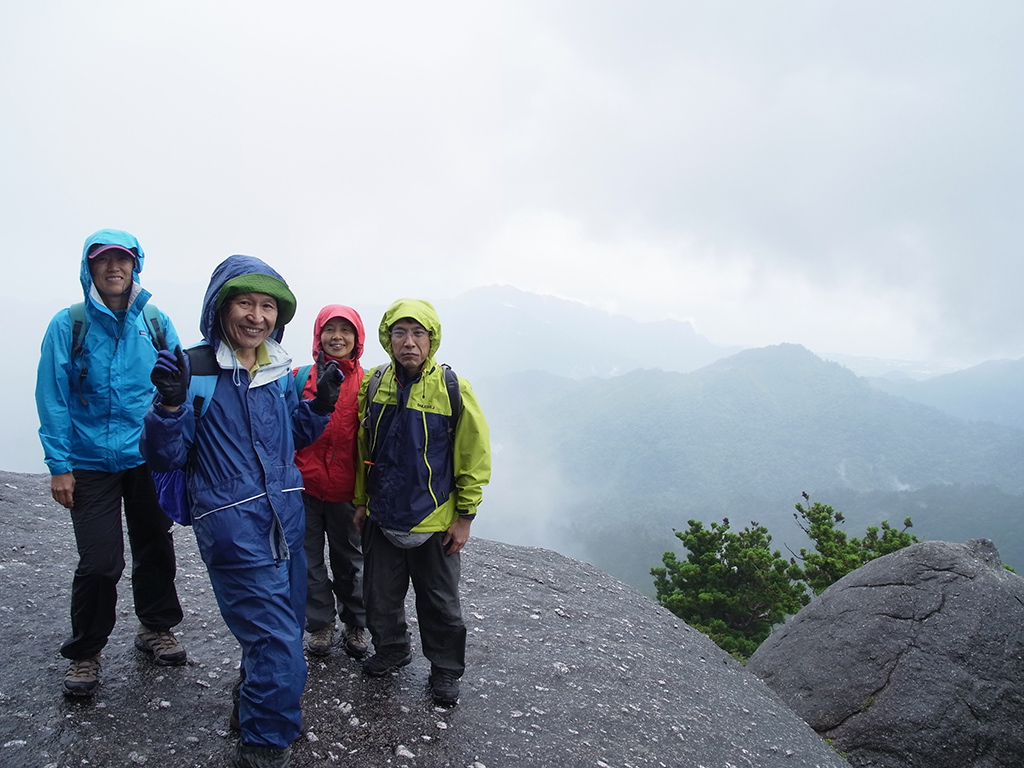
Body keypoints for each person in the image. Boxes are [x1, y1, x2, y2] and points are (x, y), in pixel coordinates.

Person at [140, 255, 341, 768]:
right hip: (232, 529)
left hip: (285, 525)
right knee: (278, 644)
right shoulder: (196, 370)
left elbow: (287, 440)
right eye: (245, 304)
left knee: (281, 628)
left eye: (267, 306)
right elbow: (165, 456)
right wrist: (168, 407)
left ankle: (252, 707)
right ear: (220, 309)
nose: (257, 316)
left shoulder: (275, 370)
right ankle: (264, 745)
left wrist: (319, 408)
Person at [35, 228, 187, 698]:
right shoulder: (70, 324)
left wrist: (178, 449)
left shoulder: (155, 321)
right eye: (103, 260)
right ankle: (85, 651)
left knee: (155, 544)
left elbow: (178, 385)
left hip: (146, 456)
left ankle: (155, 628)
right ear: (90, 268)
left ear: (135, 265)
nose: (114, 268)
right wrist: (59, 465)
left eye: (122, 260)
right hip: (88, 461)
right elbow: (52, 396)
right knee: (100, 562)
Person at [353, 298, 490, 707]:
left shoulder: (452, 389)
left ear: (432, 340)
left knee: (440, 603)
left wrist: (465, 517)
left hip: (434, 519)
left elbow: (472, 455)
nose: (408, 342)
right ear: (388, 339)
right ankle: (392, 648)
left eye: (418, 333)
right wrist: (360, 502)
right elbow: (363, 449)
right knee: (379, 596)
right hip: (382, 514)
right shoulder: (375, 384)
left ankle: (445, 669)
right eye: (400, 333)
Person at [293, 305, 369, 658]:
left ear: (357, 338)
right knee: (307, 561)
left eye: (345, 330)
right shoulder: (298, 378)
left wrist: (367, 496)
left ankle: (356, 622)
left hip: (346, 491)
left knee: (350, 563)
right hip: (304, 488)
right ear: (318, 335)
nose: (337, 337)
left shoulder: (368, 385)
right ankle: (321, 623)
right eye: (329, 329)